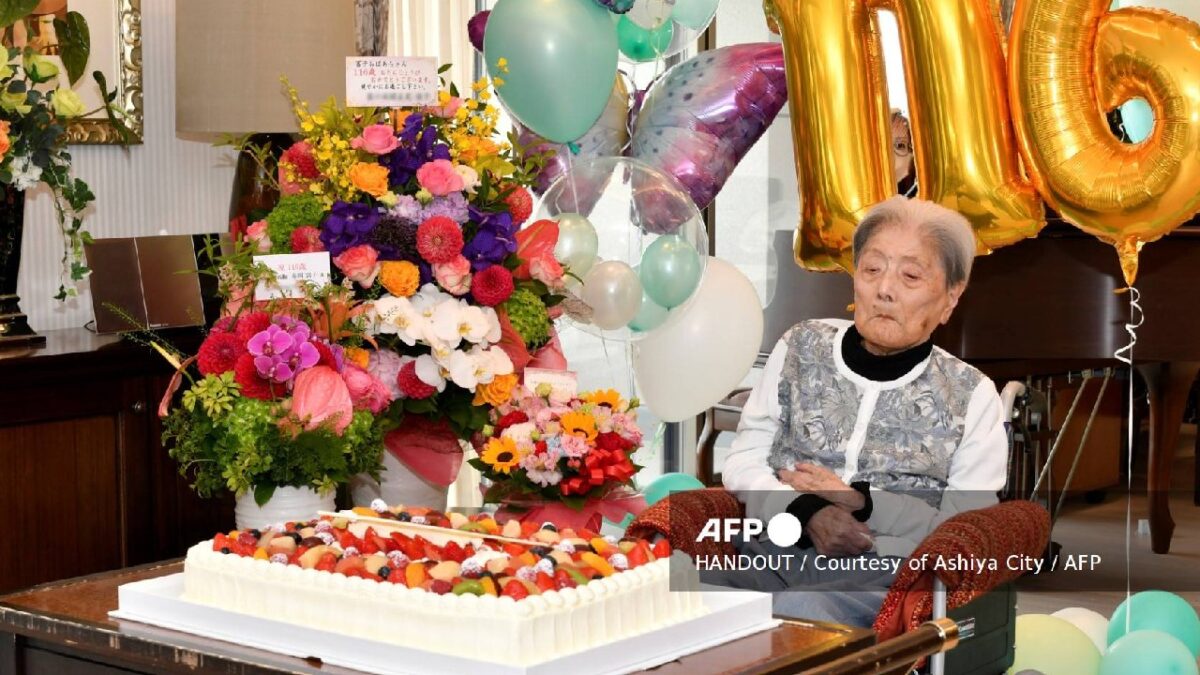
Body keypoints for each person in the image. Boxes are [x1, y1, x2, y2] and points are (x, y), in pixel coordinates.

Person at [708, 196, 1008, 627]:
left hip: (883, 571)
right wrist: (806, 509)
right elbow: (744, 459)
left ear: (950, 298)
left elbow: (963, 532)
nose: (884, 289)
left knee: (800, 619)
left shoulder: (972, 394)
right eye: (872, 269)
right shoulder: (800, 345)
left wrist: (862, 503)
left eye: (910, 275)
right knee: (677, 598)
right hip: (771, 549)